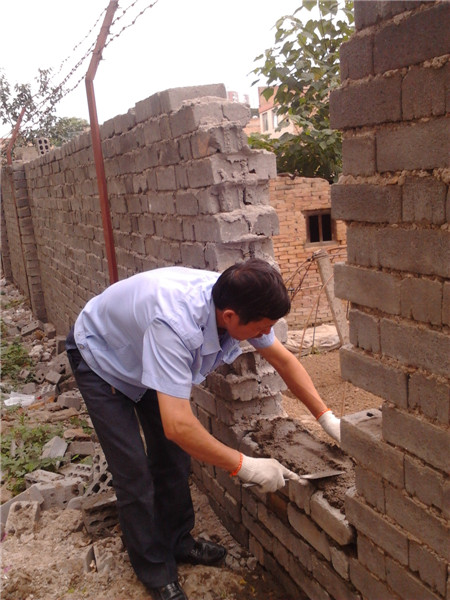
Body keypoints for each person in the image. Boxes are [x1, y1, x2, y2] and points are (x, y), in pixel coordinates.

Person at [66, 258, 340, 600]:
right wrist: (245, 465)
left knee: (173, 458)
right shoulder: (175, 325)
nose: (263, 335)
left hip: (145, 353)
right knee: (133, 473)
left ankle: (178, 542)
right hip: (102, 357)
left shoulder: (242, 297)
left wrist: (326, 418)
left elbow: (283, 360)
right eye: (261, 328)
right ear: (230, 317)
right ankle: (156, 571)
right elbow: (178, 426)